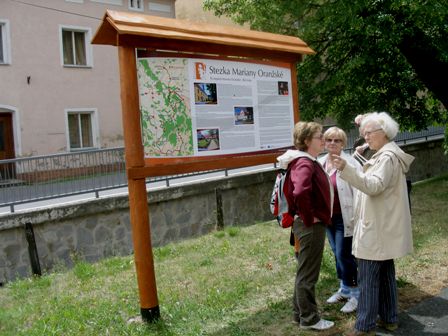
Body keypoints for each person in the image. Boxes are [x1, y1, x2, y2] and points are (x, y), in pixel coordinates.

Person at [331, 112, 414, 336]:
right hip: (381, 227)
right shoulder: (386, 154)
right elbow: (375, 178)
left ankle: (364, 326)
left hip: (376, 230)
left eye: (368, 133)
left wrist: (345, 169)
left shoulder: (386, 157)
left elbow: (374, 185)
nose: (365, 137)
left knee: (368, 278)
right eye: (363, 133)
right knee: (385, 276)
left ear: (383, 133)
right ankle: (390, 318)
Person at [276, 121, 334, 331]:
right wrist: (310, 218)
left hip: (304, 225)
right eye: (320, 136)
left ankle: (298, 315)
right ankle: (310, 319)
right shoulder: (305, 163)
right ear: (307, 141)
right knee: (309, 275)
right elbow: (300, 192)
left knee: (304, 272)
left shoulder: (305, 161)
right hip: (309, 227)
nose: (324, 140)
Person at [318, 127, 361, 314]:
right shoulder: (320, 163)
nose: (333, 143)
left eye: (337, 140)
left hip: (346, 218)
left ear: (343, 143)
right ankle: (344, 289)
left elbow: (360, 191)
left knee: (345, 255)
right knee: (337, 253)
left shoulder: (350, 163)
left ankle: (356, 294)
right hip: (328, 219)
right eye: (329, 140)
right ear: (324, 143)